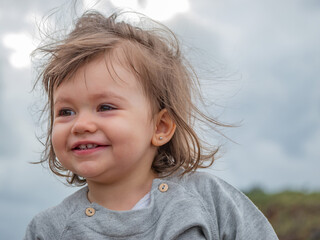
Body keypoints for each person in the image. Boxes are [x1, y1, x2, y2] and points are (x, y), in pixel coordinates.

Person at [24, 9, 278, 240]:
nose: (81, 124)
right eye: (66, 111)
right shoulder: (48, 230)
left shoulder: (208, 200)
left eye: (105, 107)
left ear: (161, 127)